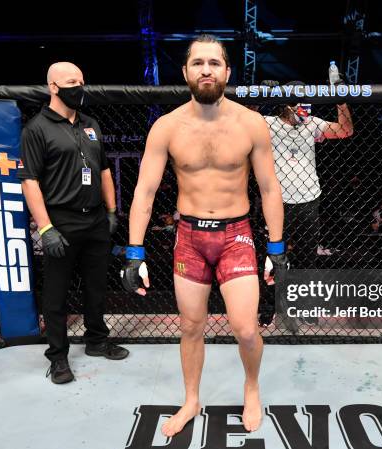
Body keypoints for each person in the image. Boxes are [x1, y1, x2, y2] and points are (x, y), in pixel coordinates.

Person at [120, 35, 287, 436]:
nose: (207, 70)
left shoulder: (251, 123)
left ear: (227, 71)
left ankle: (251, 388)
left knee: (246, 328)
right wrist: (134, 252)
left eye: (214, 63)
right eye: (198, 63)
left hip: (237, 236)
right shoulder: (166, 127)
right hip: (190, 237)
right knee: (191, 326)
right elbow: (144, 191)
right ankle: (191, 400)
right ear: (186, 72)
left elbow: (269, 188)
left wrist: (276, 249)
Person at [18, 62, 129, 385]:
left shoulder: (90, 123)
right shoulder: (36, 129)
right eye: (71, 82)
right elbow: (30, 181)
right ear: (53, 86)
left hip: (94, 218)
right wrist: (45, 227)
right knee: (56, 294)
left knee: (97, 286)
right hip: (61, 220)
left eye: (81, 81)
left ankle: (96, 341)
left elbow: (105, 170)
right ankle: (58, 357)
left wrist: (111, 210)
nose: (78, 87)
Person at [263, 80, 353, 265]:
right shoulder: (268, 123)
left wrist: (341, 101)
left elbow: (345, 131)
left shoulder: (312, 124)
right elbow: (241, 123)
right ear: (287, 105)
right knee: (275, 256)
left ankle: (304, 288)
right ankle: (274, 289)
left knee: (308, 256)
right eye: (299, 103)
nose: (305, 107)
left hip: (309, 199)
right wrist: (259, 94)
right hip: (278, 201)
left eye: (306, 102)